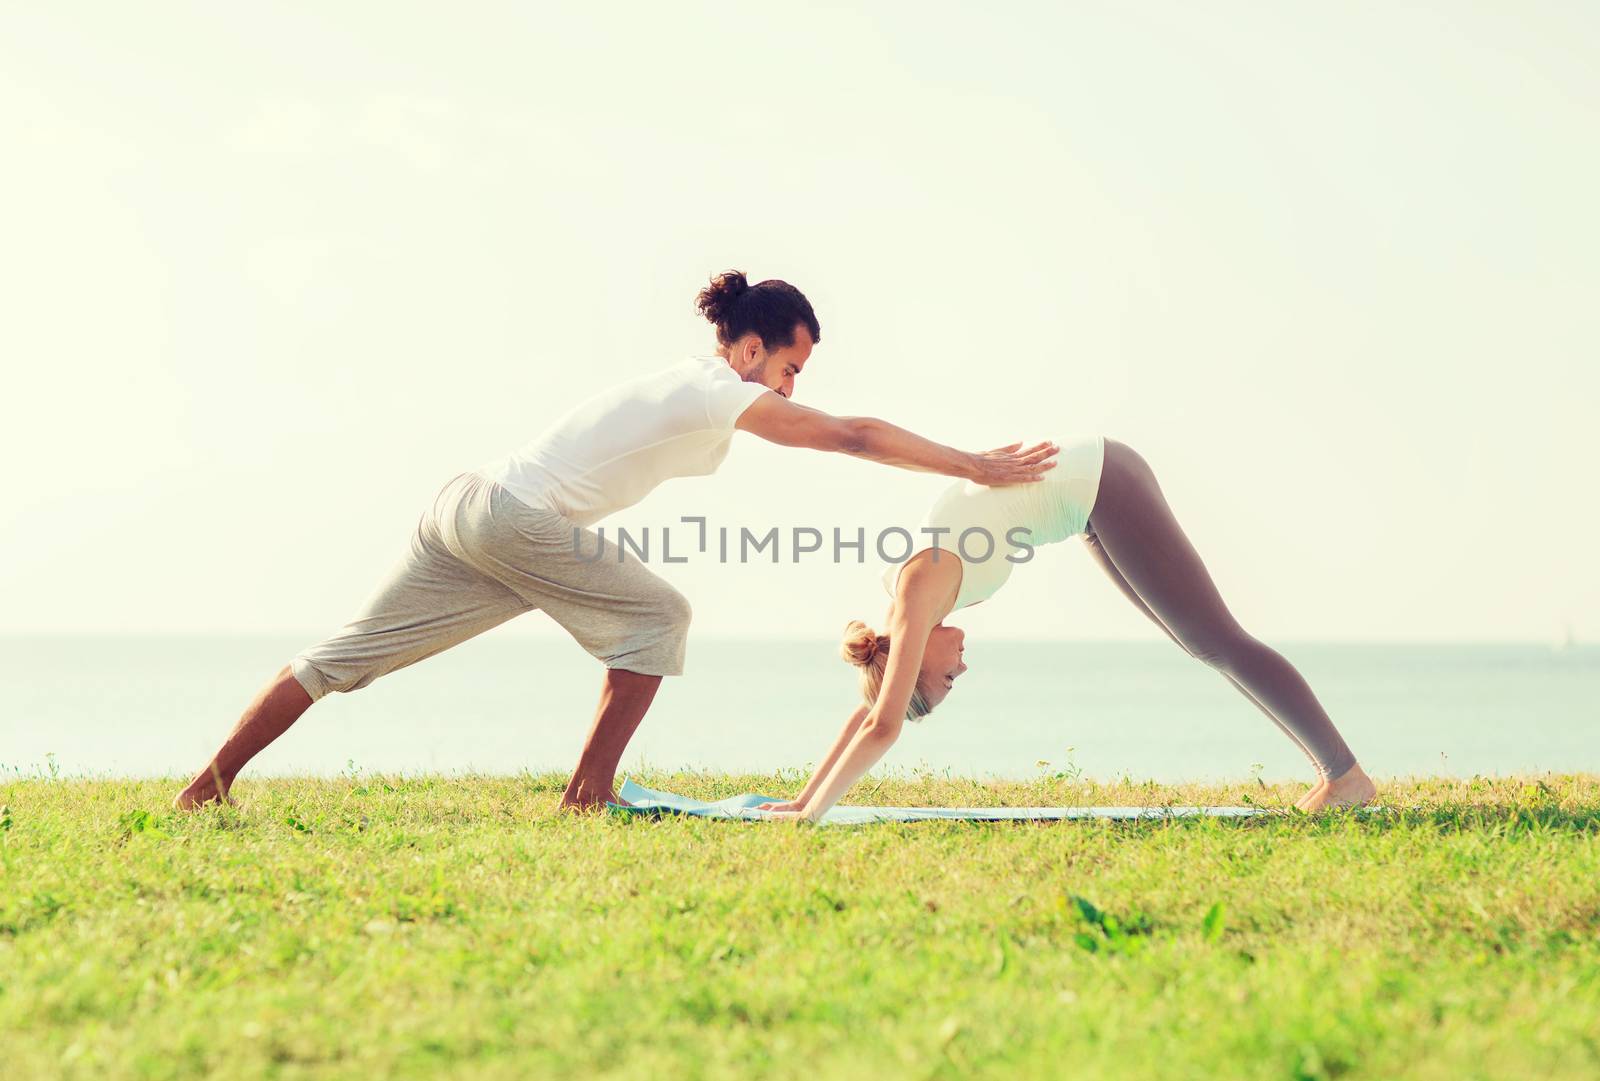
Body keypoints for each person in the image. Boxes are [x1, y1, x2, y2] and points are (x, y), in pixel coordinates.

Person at [173, 271, 1059, 812]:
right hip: (511, 519)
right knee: (660, 616)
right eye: (790, 368)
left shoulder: (695, 384)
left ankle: (206, 784)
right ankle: (585, 797)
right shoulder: (716, 390)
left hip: (467, 505)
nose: (791, 388)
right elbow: (852, 435)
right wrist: (973, 465)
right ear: (749, 348)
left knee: (343, 656)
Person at [758, 434, 1377, 821]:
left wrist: (813, 817)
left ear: (913, 660)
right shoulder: (909, 608)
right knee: (1204, 644)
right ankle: (1337, 773)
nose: (962, 667)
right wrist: (802, 799)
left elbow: (880, 721)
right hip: (1090, 501)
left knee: (1216, 640)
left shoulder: (917, 595)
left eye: (948, 677)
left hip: (1103, 486)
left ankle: (1343, 776)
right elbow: (868, 706)